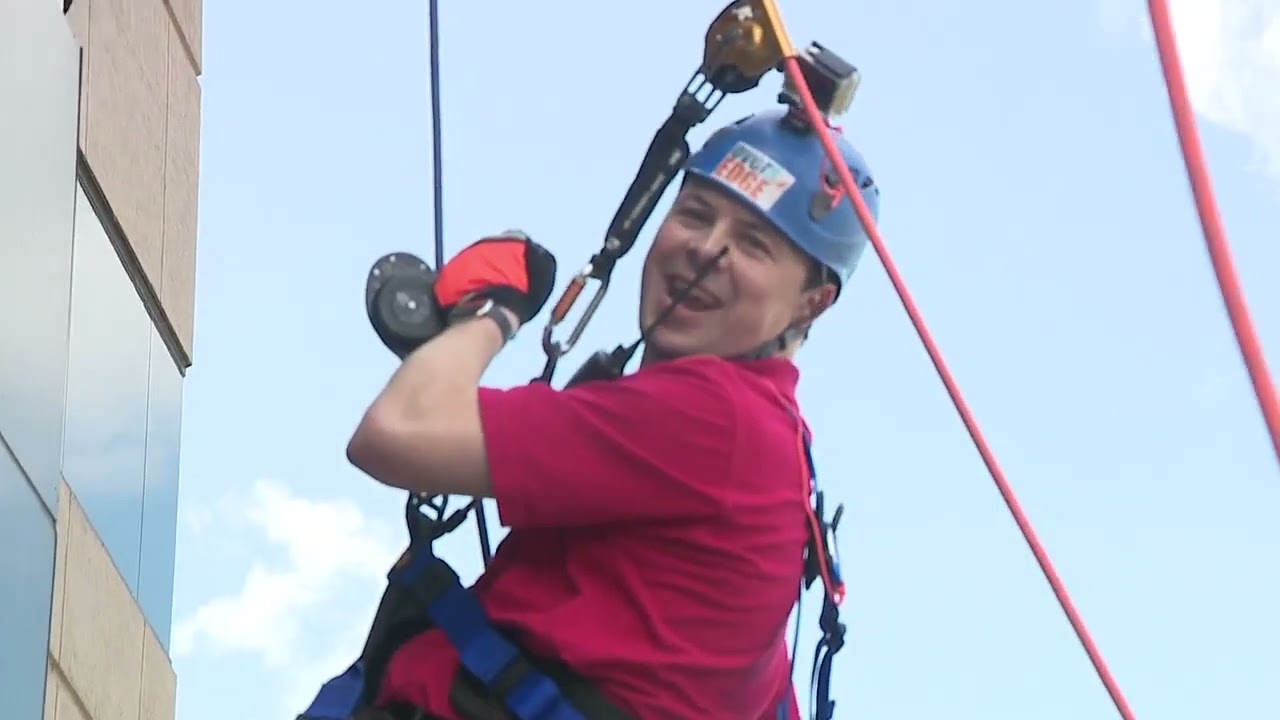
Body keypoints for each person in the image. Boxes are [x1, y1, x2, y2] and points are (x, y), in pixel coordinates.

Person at [344, 105, 881, 720]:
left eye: (754, 246)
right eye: (695, 214)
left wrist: (494, 312)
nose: (705, 251)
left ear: (811, 304)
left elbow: (395, 433)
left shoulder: (716, 417)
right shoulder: (771, 447)